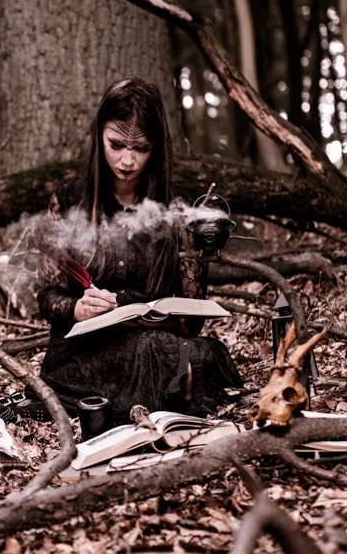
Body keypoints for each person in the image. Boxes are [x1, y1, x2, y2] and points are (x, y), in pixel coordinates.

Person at [37, 77, 242, 424]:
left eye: (141, 148)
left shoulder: (177, 210)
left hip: (155, 342)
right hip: (85, 352)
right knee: (156, 355)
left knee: (202, 353)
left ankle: (157, 394)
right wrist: (77, 308)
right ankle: (168, 394)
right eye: (116, 145)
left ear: (157, 147)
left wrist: (159, 317)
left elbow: (194, 319)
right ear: (99, 135)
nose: (127, 161)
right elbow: (47, 298)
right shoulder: (69, 202)